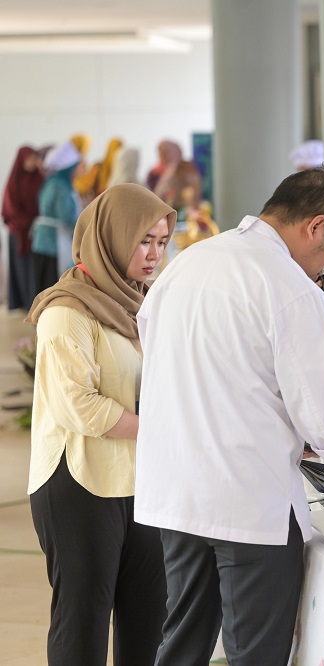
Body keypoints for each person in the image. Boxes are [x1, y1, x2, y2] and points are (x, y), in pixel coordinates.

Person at [133, 167, 324, 664]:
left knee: (182, 643)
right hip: (249, 500)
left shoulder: (189, 263)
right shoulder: (291, 290)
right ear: (315, 226)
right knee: (256, 652)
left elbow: (166, 356)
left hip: (178, 488)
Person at [26, 183, 176, 665]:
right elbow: (79, 407)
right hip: (78, 484)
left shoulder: (141, 305)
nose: (154, 254)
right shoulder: (67, 310)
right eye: (143, 240)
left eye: (161, 241)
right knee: (83, 624)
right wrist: (165, 426)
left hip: (140, 482)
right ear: (112, 237)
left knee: (149, 620)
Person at [32, 141, 82, 293]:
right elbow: (66, 215)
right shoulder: (61, 186)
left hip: (43, 241)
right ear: (69, 168)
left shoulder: (52, 181)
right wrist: (83, 226)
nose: (78, 171)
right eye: (77, 167)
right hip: (53, 243)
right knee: (51, 286)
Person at [2, 146, 44, 309]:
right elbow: (9, 207)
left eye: (35, 158)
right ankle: (24, 305)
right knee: (22, 271)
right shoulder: (14, 181)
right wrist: (28, 220)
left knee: (33, 272)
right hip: (19, 233)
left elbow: (44, 202)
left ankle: (34, 305)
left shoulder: (39, 178)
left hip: (35, 233)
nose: (33, 162)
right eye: (30, 158)